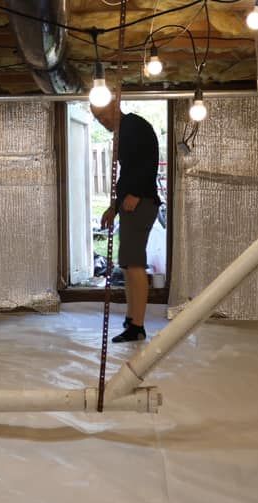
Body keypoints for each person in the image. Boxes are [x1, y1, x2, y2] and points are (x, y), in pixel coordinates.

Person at [91, 99, 161, 343]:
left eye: (104, 115)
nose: (103, 121)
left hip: (140, 203)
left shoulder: (134, 126)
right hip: (133, 203)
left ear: (114, 106)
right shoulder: (126, 130)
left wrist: (137, 194)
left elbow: (147, 163)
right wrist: (114, 207)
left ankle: (137, 325)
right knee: (129, 263)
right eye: (98, 119)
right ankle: (133, 320)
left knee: (134, 264)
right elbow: (127, 174)